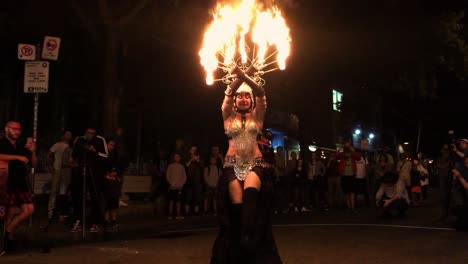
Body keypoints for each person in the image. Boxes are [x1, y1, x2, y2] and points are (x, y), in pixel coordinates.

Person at [210, 65, 281, 263]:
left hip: (254, 165)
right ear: (235, 101)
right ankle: (238, 247)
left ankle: (250, 241)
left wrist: (245, 76)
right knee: (237, 205)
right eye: (240, 96)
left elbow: (260, 92)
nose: (243, 98)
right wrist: (240, 78)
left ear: (250, 101)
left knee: (251, 194)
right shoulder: (227, 116)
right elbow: (228, 93)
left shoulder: (258, 118)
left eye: (246, 96)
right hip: (231, 167)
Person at [0, 121, 37, 254]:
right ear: (6, 129)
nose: (16, 131)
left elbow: (33, 164)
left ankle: (8, 231)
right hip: (5, 181)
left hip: (20, 182)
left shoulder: (21, 146)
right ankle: (7, 242)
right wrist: (17, 157)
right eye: (14, 128)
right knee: (8, 213)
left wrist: (32, 152)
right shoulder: (2, 142)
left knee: (29, 209)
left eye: (18, 129)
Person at [46, 130, 72, 219]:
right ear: (63, 136)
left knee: (64, 191)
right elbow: (48, 155)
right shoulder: (57, 145)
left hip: (67, 171)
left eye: (70, 135)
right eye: (67, 134)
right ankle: (51, 209)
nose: (69, 136)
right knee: (54, 190)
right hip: (57, 170)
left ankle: (62, 211)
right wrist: (50, 166)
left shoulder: (70, 147)